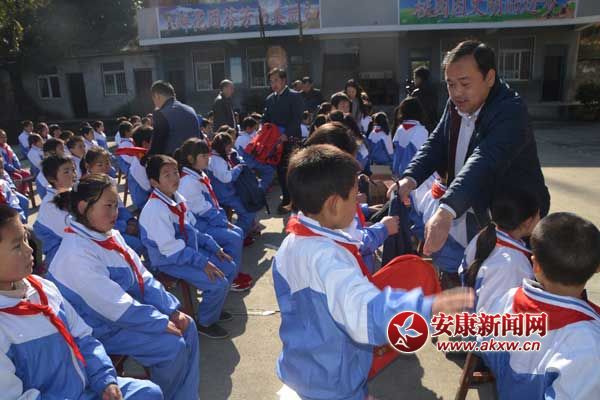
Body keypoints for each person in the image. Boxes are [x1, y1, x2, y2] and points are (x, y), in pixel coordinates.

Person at [273, 144, 474, 400]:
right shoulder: (328, 259)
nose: (358, 201)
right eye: (353, 196)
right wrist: (429, 307)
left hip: (306, 368)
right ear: (333, 204)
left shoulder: (292, 244)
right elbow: (368, 313)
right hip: (334, 382)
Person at [389, 40, 550, 266]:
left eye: (465, 83)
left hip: (512, 217)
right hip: (473, 207)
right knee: (473, 268)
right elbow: (437, 142)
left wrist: (446, 210)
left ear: (489, 77)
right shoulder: (455, 105)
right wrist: (410, 178)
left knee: (507, 273)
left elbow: (484, 160)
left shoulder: (510, 111)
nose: (457, 92)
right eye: (450, 84)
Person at [47, 174, 200, 400]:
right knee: (171, 345)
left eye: (116, 205)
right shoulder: (76, 254)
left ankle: (185, 396)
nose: (115, 213)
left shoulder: (107, 235)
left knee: (187, 324)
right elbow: (115, 307)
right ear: (83, 207)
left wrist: (170, 309)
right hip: (100, 328)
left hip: (122, 317)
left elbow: (143, 276)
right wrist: (159, 321)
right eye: (108, 206)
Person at [0, 205, 163, 400]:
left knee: (150, 393)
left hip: (87, 385)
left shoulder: (41, 287)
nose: (29, 249)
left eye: (25, 238)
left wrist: (104, 379)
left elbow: (83, 336)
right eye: (17, 246)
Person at [480, 212, 600, 399]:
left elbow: (485, 344)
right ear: (597, 267)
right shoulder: (589, 340)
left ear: (535, 265)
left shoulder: (509, 299)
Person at [139, 155, 237, 339]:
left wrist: (214, 247)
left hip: (187, 250)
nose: (174, 178)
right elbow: (171, 249)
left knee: (229, 267)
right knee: (218, 283)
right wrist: (203, 263)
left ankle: (213, 308)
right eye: (167, 175)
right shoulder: (155, 210)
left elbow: (193, 230)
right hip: (169, 260)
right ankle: (205, 322)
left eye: (175, 172)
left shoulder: (177, 198)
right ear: (154, 182)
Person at [176, 138, 251, 292]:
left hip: (206, 219)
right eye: (203, 156)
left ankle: (231, 271)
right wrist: (223, 222)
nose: (208, 159)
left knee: (237, 232)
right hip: (198, 225)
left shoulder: (197, 173)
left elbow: (209, 204)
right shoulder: (188, 182)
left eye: (208, 155)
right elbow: (202, 209)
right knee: (234, 237)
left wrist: (221, 219)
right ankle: (230, 277)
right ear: (191, 158)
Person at [459, 188, 539, 312]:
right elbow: (493, 315)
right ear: (528, 222)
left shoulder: (484, 236)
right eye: (538, 215)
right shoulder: (513, 265)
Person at [262, 68, 305, 214]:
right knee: (280, 171)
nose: (273, 84)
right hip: (276, 141)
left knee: (293, 170)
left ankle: (298, 201)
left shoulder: (294, 96)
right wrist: (263, 130)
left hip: (291, 139)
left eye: (276, 80)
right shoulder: (269, 99)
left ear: (284, 80)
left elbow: (297, 118)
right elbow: (266, 118)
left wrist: (286, 133)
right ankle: (287, 200)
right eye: (271, 81)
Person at [207, 133, 256, 240]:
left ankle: (242, 233)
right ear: (223, 146)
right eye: (229, 146)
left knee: (248, 210)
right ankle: (238, 236)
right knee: (248, 213)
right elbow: (227, 178)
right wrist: (238, 168)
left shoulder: (216, 156)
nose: (231, 148)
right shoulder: (217, 160)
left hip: (226, 193)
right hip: (226, 195)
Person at [149, 80, 200, 156]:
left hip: (172, 160)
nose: (155, 104)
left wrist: (147, 158)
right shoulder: (190, 109)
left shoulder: (161, 113)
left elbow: (157, 145)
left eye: (153, 99)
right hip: (194, 158)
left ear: (157, 96)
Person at [235, 117, 276, 191]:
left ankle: (264, 186)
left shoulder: (244, 136)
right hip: (249, 162)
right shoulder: (244, 139)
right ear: (248, 128)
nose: (254, 130)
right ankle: (261, 189)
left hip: (251, 160)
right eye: (253, 128)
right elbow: (254, 152)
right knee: (269, 170)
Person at [391, 97, 429, 177]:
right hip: (415, 175)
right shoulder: (421, 130)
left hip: (400, 173)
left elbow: (396, 153)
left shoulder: (400, 129)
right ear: (419, 111)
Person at [0, 128, 31, 195]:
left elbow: (14, 157)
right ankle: (19, 193)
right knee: (18, 177)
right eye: (2, 137)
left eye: (5, 137)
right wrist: (14, 170)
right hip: (6, 171)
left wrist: (18, 167)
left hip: (14, 169)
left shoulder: (7, 146)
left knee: (27, 174)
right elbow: (4, 164)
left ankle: (24, 191)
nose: (4, 139)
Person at [128, 126, 153, 210]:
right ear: (145, 144)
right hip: (144, 203)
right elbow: (148, 187)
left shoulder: (143, 156)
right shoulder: (138, 164)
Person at [411, 66, 439, 132]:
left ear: (420, 78)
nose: (414, 80)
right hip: (432, 124)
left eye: (415, 78)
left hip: (419, 125)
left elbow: (411, 110)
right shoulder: (433, 90)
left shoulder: (417, 93)